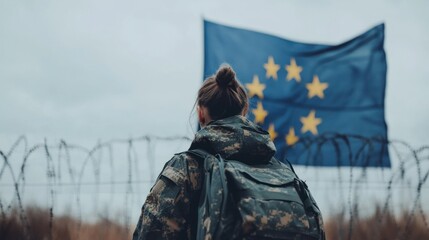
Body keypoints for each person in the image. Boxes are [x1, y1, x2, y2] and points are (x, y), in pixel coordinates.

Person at [132, 65, 306, 240]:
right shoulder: (285, 173)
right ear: (244, 111)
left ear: (200, 114)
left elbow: (150, 234)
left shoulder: (186, 168)